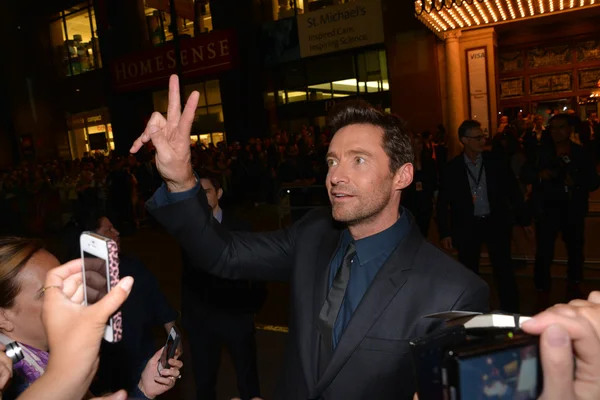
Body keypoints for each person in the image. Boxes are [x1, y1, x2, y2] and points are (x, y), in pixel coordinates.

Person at [131, 75, 489, 400]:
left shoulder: (453, 292)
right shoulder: (314, 235)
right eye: (332, 161)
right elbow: (223, 253)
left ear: (402, 176)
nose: (336, 176)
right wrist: (180, 178)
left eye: (358, 160)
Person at [0, 237, 182, 399]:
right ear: (2, 317)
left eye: (64, 281)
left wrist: (144, 389)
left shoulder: (37, 359)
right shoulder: (11, 381)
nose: (72, 296)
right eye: (46, 292)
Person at [71, 211, 181, 395]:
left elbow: (159, 302)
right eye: (108, 229)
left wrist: (174, 336)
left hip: (141, 356)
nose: (117, 232)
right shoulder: (77, 278)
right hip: (104, 367)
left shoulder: (133, 266)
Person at [183, 175, 265, 400]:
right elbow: (187, 277)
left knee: (247, 380)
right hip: (202, 322)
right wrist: (189, 319)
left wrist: (251, 308)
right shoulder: (189, 230)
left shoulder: (240, 227)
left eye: (206, 192)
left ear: (218, 194)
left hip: (236, 316)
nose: (201, 198)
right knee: (204, 382)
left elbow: (257, 269)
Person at [436, 120, 530, 313]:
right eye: (477, 137)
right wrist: (445, 232)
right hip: (467, 226)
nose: (482, 140)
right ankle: (472, 312)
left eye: (483, 136)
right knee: (469, 272)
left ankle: (512, 312)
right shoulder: (452, 168)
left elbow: (513, 192)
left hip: (495, 223)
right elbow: (443, 202)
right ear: (464, 140)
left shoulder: (495, 161)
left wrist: (524, 219)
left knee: (504, 269)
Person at [520, 114, 599, 307]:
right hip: (547, 208)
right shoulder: (541, 152)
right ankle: (542, 289)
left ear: (570, 129)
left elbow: (593, 181)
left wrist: (576, 182)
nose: (556, 131)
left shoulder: (580, 153)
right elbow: (525, 173)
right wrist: (541, 175)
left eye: (561, 127)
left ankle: (574, 284)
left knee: (575, 249)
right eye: (553, 128)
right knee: (544, 251)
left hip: (573, 208)